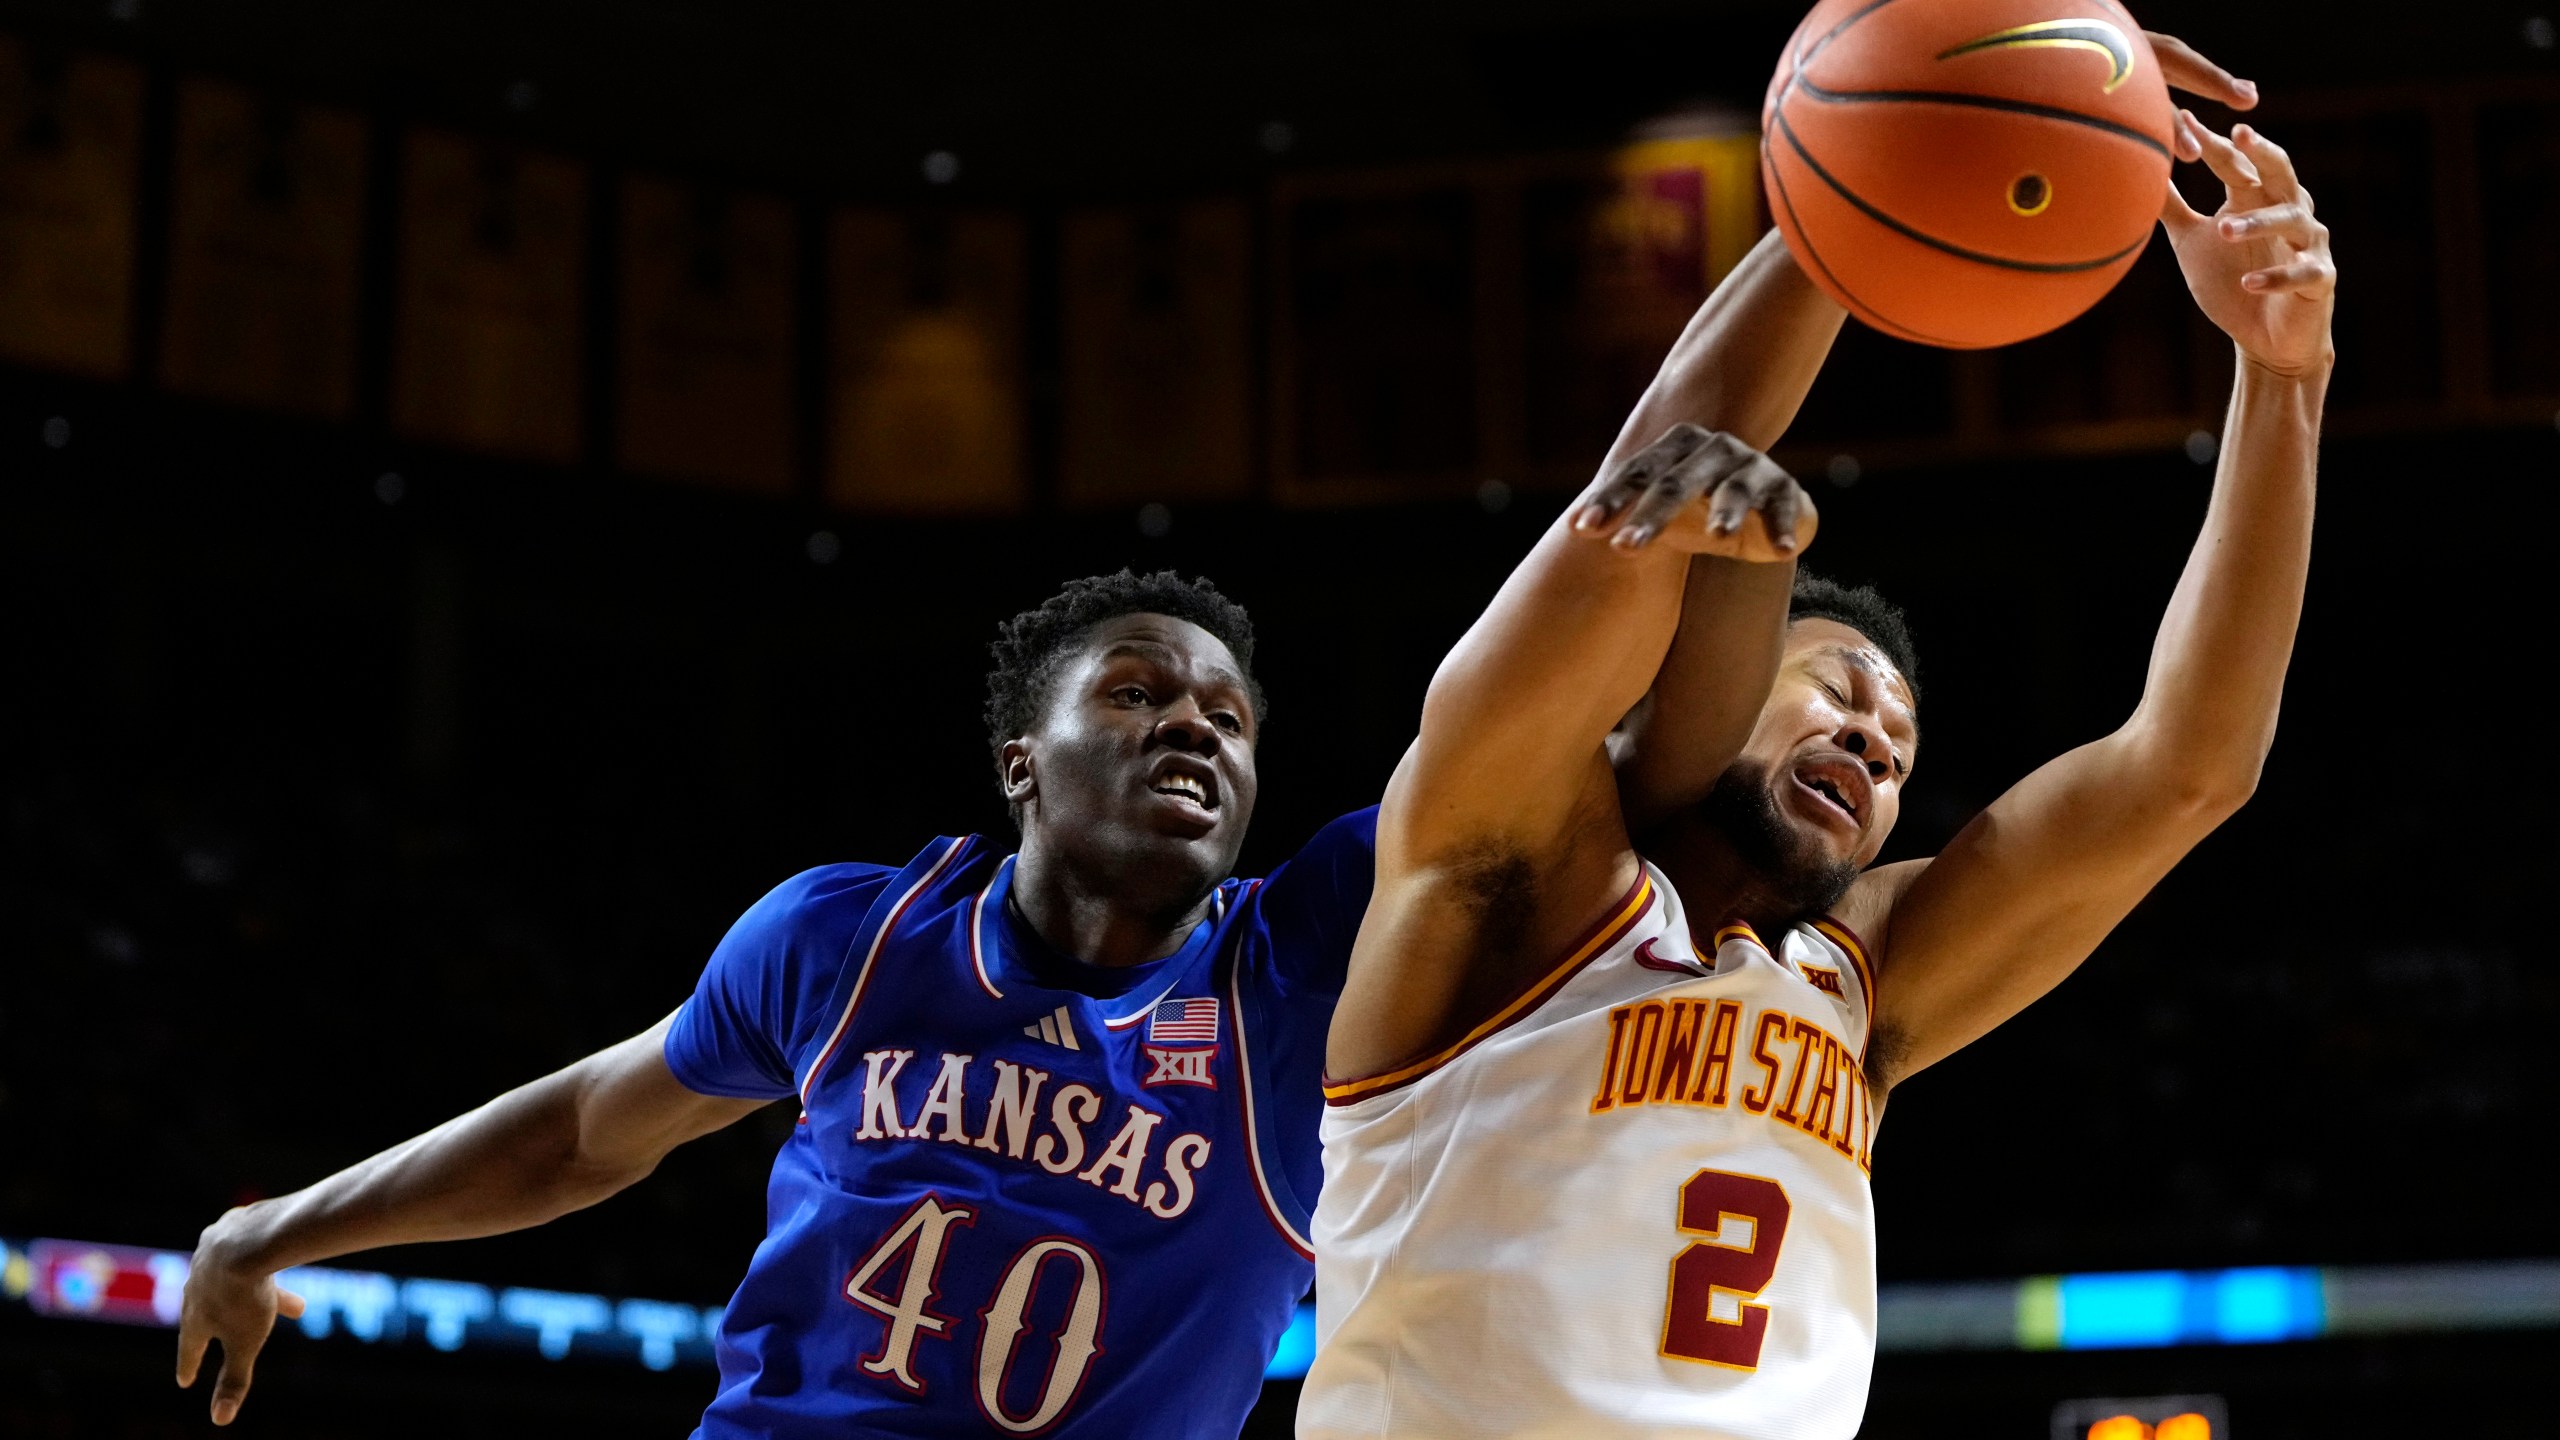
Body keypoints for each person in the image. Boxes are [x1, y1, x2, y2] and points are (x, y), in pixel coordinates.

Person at [1300, 95, 2334, 1440]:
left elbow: (2189, 767)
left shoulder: (1861, 979)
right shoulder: (1503, 881)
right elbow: (1654, 479)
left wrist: (2283, 375)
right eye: (1838, 692)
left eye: (1898, 749)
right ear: (1707, 679)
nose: (1870, 740)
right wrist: (1870, 174)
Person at [176, 570, 1377, 1438]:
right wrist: (269, 1228)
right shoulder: (851, 937)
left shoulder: (1298, 970)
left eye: (1228, 718)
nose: (1190, 724)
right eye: (1133, 693)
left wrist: (1581, 535)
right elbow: (581, 1134)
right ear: (1021, 760)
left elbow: (1497, 778)